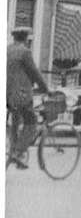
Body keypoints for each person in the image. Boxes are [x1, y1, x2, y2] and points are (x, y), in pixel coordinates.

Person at [7, 27, 49, 169]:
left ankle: (13, 152)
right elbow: (35, 73)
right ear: (26, 38)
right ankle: (18, 153)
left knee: (15, 120)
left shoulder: (7, 50)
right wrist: (46, 89)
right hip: (20, 95)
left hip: (7, 95)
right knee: (32, 123)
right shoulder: (25, 52)